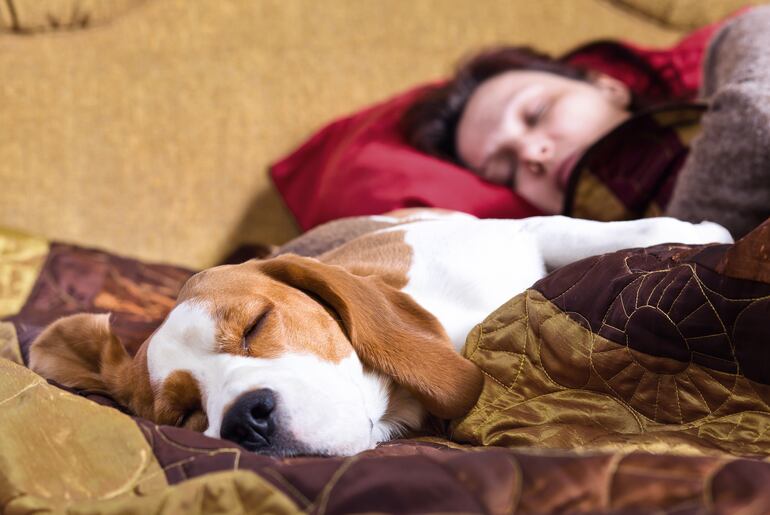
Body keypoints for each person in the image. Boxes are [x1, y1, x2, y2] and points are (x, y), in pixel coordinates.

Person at [401, 7, 770, 239]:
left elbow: (753, 113)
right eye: (506, 170)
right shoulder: (590, 281)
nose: (532, 152)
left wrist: (678, 252)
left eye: (537, 113)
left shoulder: (734, 45)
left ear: (608, 86)